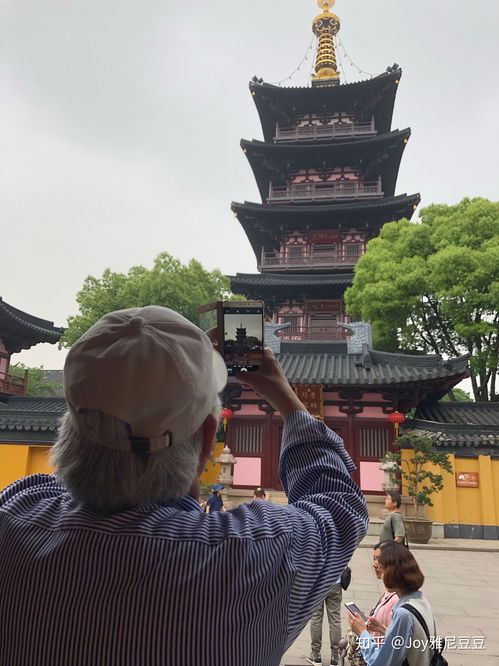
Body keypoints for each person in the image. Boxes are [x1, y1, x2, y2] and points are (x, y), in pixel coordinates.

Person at [0, 305, 368, 666]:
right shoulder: (259, 556)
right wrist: (288, 400)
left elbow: (60, 482)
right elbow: (340, 507)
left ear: (70, 427)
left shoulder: (14, 516)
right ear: (208, 439)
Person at [348, 541, 436, 665]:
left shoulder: (403, 612)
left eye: (383, 567)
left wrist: (362, 633)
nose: (376, 567)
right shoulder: (421, 599)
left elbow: (381, 662)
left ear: (394, 573)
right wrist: (382, 628)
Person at [344, 543, 398, 665]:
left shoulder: (397, 601)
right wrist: (377, 627)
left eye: (380, 559)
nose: (375, 564)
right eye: (374, 559)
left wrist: (362, 632)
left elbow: (395, 643)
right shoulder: (387, 594)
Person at [307, 578, 343, 665]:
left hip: (317, 583)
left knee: (316, 618)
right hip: (335, 582)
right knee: (335, 620)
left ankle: (316, 655)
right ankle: (335, 657)